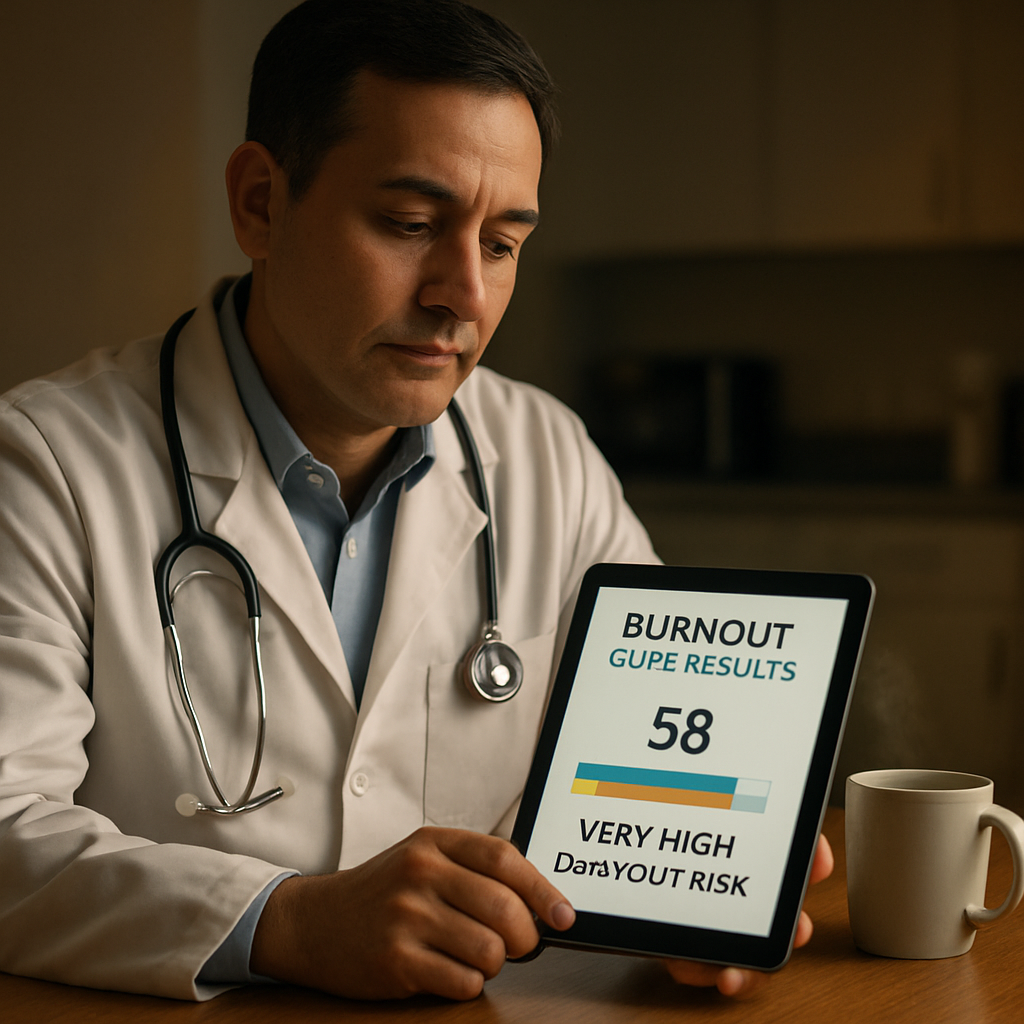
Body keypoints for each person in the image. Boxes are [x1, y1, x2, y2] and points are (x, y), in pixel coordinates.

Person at [0, 0, 831, 1003]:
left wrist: (683, 887)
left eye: (502, 241)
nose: (462, 295)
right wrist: (288, 921)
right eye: (410, 224)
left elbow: (629, 767)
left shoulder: (545, 454)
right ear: (261, 201)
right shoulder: (43, 463)